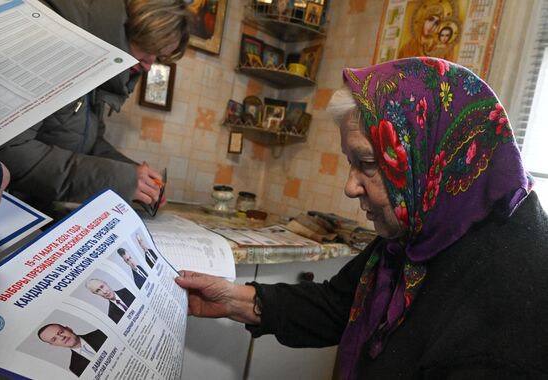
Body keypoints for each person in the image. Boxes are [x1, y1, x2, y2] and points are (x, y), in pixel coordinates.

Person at [175, 57, 548, 379]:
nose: (350, 187)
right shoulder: (426, 224)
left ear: (428, 154)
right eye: (351, 162)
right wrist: (234, 301)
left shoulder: (512, 295)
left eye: (367, 163)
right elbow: (340, 303)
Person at [0, 0, 190, 213]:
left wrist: (133, 174)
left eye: (157, 56)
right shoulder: (51, 37)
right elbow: (10, 151)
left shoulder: (97, 61)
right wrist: (119, 180)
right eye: (148, 49)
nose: (149, 64)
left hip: (35, 211)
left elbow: (91, 142)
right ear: (128, 28)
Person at [37, 323, 107, 377]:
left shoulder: (101, 333)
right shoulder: (75, 368)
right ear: (53, 345)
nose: (61, 337)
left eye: (61, 332)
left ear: (69, 329)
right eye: (54, 339)